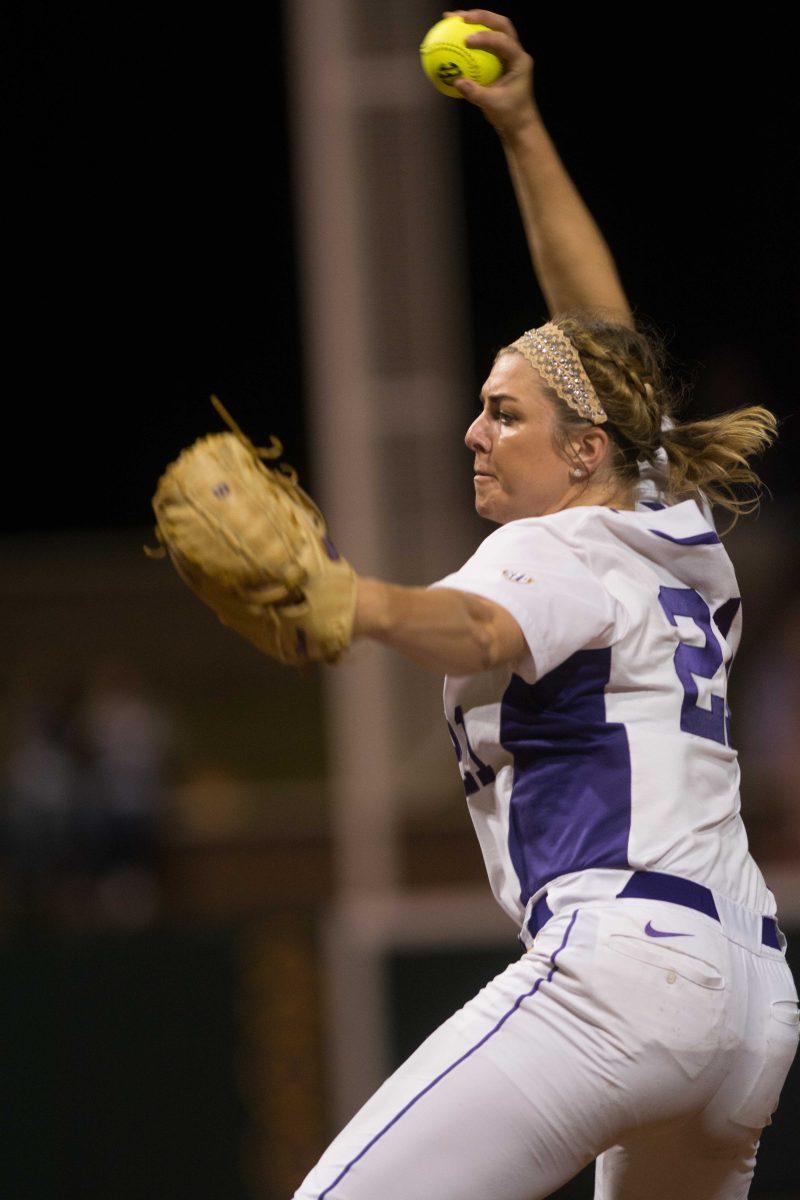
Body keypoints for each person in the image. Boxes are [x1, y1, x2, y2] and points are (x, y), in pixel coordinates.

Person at [295, 10, 799, 1199]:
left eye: (504, 413)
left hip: (621, 974)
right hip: (749, 1002)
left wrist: (345, 601)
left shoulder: (558, 542)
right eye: (480, 405)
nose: (474, 432)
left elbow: (475, 631)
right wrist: (518, 125)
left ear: (580, 453)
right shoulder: (658, 519)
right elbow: (607, 336)